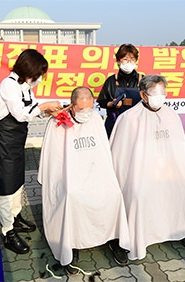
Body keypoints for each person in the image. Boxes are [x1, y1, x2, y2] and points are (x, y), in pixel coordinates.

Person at [110, 75, 185, 260]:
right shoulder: (130, 118)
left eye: (163, 93)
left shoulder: (171, 115)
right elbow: (121, 156)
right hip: (140, 174)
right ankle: (128, 242)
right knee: (138, 196)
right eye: (155, 93)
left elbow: (179, 150)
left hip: (169, 170)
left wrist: (182, 173)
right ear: (143, 94)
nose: (161, 97)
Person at [38, 87, 131, 275]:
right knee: (72, 196)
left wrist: (106, 175)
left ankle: (115, 239)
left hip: (96, 172)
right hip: (70, 176)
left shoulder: (96, 119)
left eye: (90, 108)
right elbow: (54, 160)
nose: (86, 114)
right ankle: (71, 244)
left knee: (113, 193)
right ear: (72, 106)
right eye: (81, 110)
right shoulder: (57, 123)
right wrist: (61, 181)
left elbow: (103, 153)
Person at [0, 49, 62, 254]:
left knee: (18, 181)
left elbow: (30, 110)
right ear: (28, 69)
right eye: (38, 74)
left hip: (16, 141)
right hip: (4, 143)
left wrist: (46, 112)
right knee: (6, 187)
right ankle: (8, 232)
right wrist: (44, 106)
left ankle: (16, 216)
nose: (39, 79)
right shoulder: (9, 85)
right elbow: (21, 114)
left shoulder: (24, 85)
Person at [97, 43, 142, 138]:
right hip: (115, 124)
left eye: (132, 59)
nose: (129, 62)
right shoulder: (111, 81)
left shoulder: (143, 80)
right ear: (118, 61)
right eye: (125, 59)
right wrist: (111, 104)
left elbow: (148, 102)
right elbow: (102, 102)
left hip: (137, 126)